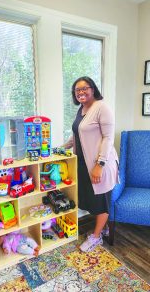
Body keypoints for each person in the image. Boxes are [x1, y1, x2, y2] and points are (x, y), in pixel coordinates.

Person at [63, 76, 119, 252]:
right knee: (90, 200)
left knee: (101, 201)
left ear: (92, 89)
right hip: (83, 164)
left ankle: (96, 237)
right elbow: (76, 135)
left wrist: (99, 164)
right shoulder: (82, 109)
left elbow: (108, 138)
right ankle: (102, 227)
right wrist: (61, 148)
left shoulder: (102, 107)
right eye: (77, 90)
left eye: (85, 88)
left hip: (100, 165)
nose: (81, 92)